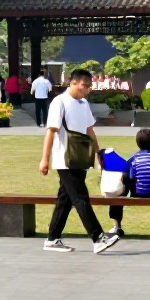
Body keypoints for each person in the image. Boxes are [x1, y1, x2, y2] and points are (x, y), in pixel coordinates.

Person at [40, 68, 117, 254]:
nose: (87, 89)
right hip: (65, 159)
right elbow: (51, 131)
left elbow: (90, 130)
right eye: (84, 85)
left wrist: (98, 152)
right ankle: (98, 238)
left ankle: (52, 238)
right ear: (73, 82)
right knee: (80, 197)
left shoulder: (83, 104)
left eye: (90, 86)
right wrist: (45, 159)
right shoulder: (60, 102)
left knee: (65, 199)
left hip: (81, 157)